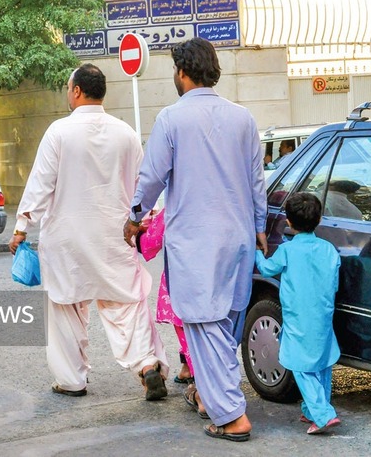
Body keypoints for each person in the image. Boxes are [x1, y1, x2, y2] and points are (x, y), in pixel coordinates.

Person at [123, 37, 267, 442]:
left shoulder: (171, 119)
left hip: (195, 244)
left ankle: (232, 416)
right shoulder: (243, 118)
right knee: (225, 324)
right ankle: (212, 398)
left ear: (183, 72)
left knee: (203, 326)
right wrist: (259, 228)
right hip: (238, 239)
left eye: (175, 69)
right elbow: (258, 182)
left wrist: (134, 218)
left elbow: (151, 179)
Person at [10, 63, 169, 401]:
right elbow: (143, 186)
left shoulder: (59, 132)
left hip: (67, 241)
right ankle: (146, 364)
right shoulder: (125, 133)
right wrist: (147, 219)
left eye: (68, 89)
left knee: (65, 308)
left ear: (77, 91)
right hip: (115, 237)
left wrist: (21, 227)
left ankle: (72, 380)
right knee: (126, 304)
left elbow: (41, 184)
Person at [254, 192, 342, 435]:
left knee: (299, 364)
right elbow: (334, 283)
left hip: (297, 317)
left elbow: (266, 268)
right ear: (319, 219)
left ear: (289, 222)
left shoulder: (287, 251)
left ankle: (323, 414)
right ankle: (313, 409)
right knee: (322, 363)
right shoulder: (329, 250)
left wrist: (256, 252)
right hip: (323, 315)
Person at [136, 209, 206, 417]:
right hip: (216, 279)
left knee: (187, 334)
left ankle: (203, 393)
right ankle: (193, 373)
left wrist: (139, 230)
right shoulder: (220, 203)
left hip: (181, 281)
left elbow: (149, 244)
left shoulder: (173, 209)